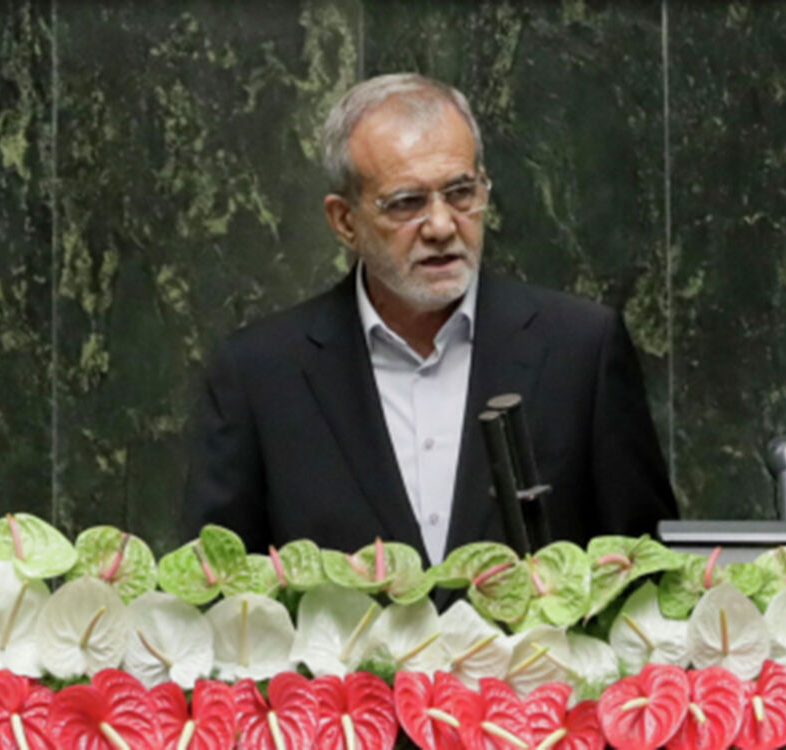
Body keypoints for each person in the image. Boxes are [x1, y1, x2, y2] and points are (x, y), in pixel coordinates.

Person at [182, 73, 677, 564]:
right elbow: (217, 587)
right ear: (344, 221)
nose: (441, 226)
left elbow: (647, 573)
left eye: (460, 193)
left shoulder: (581, 350)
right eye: (406, 203)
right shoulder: (260, 375)